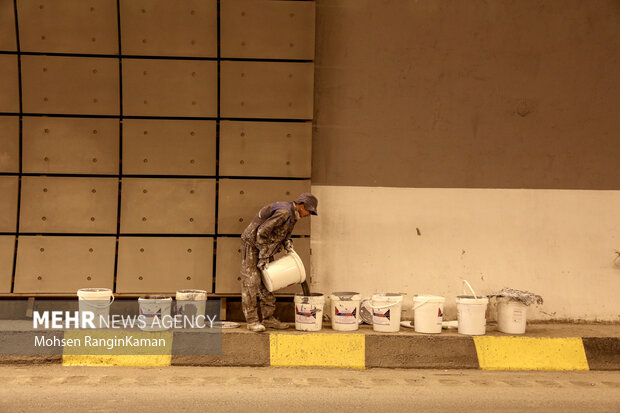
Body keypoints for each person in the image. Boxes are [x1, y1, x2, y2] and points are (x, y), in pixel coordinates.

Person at [240, 193, 318, 332]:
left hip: (265, 247)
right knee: (252, 281)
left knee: (269, 280)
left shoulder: (293, 215)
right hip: (253, 244)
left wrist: (287, 243)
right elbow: (261, 233)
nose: (309, 214)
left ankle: (268, 319)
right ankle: (252, 321)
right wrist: (264, 256)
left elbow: (284, 233)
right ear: (301, 204)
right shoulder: (284, 212)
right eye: (309, 211)